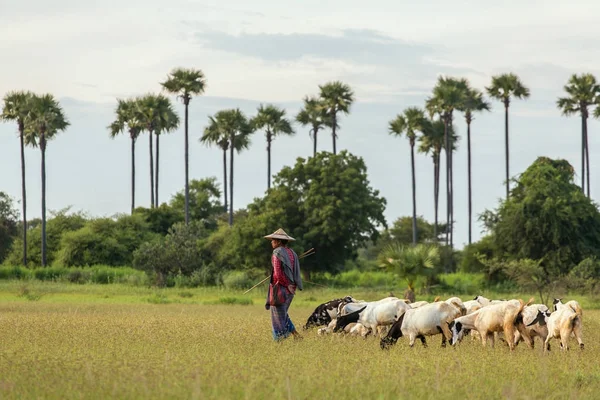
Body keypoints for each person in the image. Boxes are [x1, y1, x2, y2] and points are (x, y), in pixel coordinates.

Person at [264, 228, 303, 341]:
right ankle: (296, 335)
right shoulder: (292, 253)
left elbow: (278, 272)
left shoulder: (277, 252)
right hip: (290, 290)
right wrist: (291, 286)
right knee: (282, 314)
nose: (271, 242)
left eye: (273, 240)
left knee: (277, 316)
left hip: (280, 289)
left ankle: (279, 341)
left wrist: (286, 285)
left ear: (279, 242)